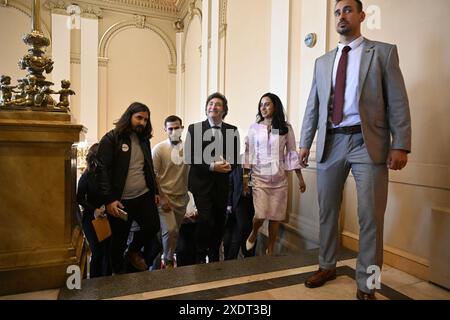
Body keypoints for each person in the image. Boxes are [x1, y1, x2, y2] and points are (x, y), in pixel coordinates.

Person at [299, 0, 411, 300]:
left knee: (370, 216)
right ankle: (327, 264)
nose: (341, 15)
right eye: (337, 12)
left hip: (367, 142)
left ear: (361, 15)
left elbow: (398, 101)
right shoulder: (322, 62)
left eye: (347, 10)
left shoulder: (383, 53)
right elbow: (314, 106)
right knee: (327, 211)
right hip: (331, 142)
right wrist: (304, 143)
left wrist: (400, 144)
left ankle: (368, 284)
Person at [96, 102, 161, 274]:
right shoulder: (111, 138)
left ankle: (133, 251)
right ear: (129, 116)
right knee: (118, 241)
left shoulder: (144, 140)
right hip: (120, 201)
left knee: (152, 226)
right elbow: (101, 170)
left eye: (146, 120)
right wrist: (109, 200)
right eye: (139, 118)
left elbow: (148, 167)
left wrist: (154, 191)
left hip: (143, 196)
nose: (142, 123)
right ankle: (117, 278)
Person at [244, 93, 306, 256]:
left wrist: (300, 178)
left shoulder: (286, 127)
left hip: (279, 179)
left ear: (275, 106)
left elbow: (292, 153)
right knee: (260, 214)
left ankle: (270, 249)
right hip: (259, 177)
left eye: (267, 104)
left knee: (276, 216)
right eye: (261, 105)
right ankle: (254, 232)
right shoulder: (254, 128)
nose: (263, 108)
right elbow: (248, 152)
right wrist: (245, 178)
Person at [185, 92, 240, 263]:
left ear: (224, 110)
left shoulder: (232, 130)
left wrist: (228, 166)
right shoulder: (195, 128)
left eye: (217, 104)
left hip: (222, 185)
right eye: (210, 103)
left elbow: (235, 160)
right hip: (200, 185)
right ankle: (200, 255)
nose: (213, 107)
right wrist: (212, 166)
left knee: (218, 222)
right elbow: (190, 157)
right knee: (206, 220)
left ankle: (215, 254)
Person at [152, 115, 190, 268]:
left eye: (177, 128)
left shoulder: (189, 148)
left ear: (182, 128)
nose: (174, 131)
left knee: (174, 233)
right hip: (165, 198)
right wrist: (161, 197)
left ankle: (163, 259)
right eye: (170, 128)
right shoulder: (159, 149)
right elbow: (152, 176)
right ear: (165, 130)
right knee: (171, 230)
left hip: (182, 198)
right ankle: (167, 261)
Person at [76, 143, 112, 278]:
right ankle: (95, 282)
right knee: (97, 251)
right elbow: (79, 198)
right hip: (91, 218)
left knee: (107, 251)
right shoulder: (86, 176)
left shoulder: (109, 174)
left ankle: (107, 282)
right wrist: (94, 209)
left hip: (107, 216)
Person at [223, 164, 256, 260]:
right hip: (240, 199)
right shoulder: (237, 160)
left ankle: (249, 257)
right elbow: (230, 180)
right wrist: (229, 203)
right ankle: (244, 255)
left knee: (252, 228)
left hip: (255, 199)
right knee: (243, 227)